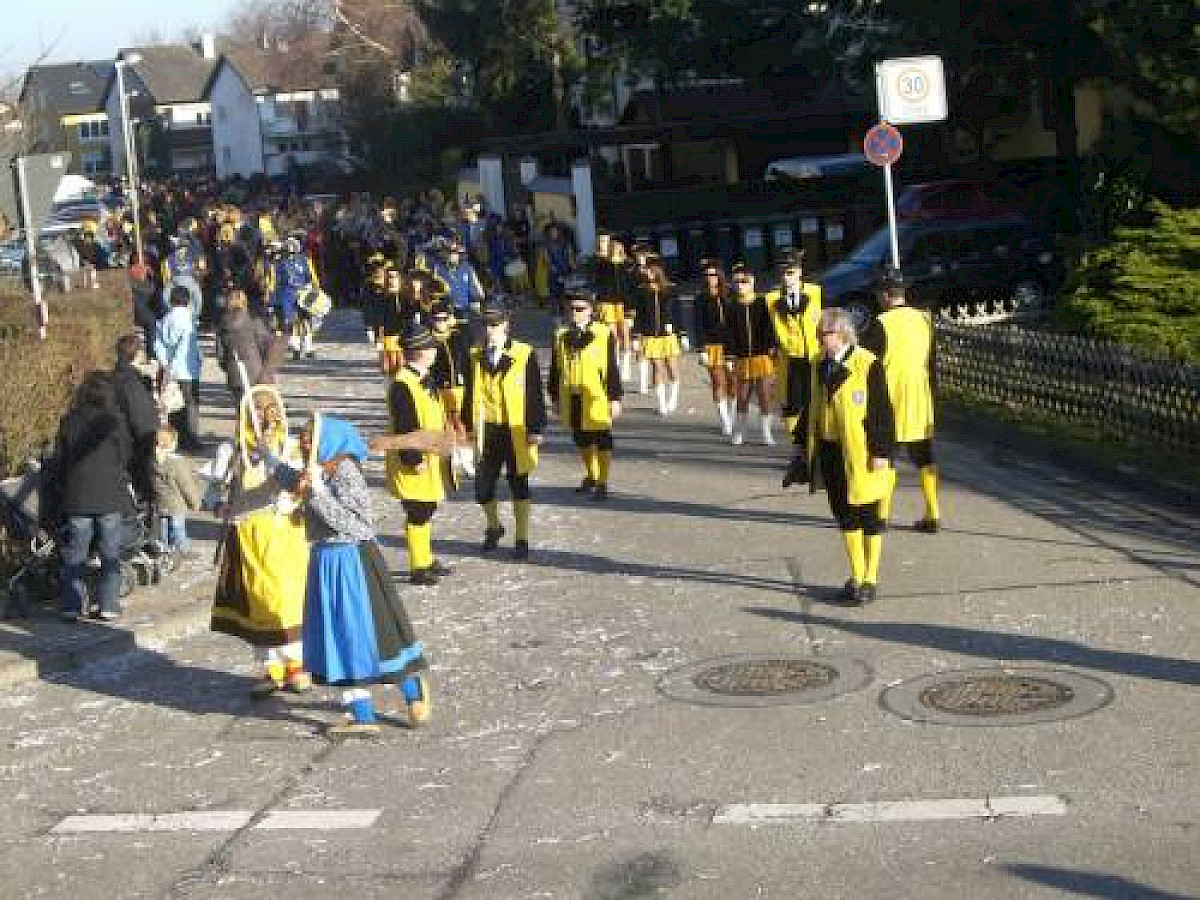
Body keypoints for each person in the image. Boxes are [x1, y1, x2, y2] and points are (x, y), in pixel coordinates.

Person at [284, 414, 432, 736]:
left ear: (329, 441)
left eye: (310, 440)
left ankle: (413, 691)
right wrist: (271, 464)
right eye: (303, 441)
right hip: (325, 561)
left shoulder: (346, 472)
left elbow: (356, 525)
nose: (304, 446)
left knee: (375, 637)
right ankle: (361, 714)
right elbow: (294, 482)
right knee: (339, 639)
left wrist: (317, 495)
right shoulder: (320, 470)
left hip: (353, 563)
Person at [785, 308, 895, 606]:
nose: (821, 339)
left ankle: (870, 578)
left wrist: (880, 451)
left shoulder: (866, 363)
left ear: (843, 334)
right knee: (843, 513)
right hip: (829, 448)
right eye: (819, 334)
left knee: (869, 514)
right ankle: (856, 576)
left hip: (862, 451)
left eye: (826, 334)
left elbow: (881, 412)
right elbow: (811, 406)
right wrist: (800, 444)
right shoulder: (817, 364)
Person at [211, 385, 312, 697]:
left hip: (285, 534)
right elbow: (214, 488)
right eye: (257, 413)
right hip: (248, 534)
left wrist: (292, 493)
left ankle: (296, 665)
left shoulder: (290, 448)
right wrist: (219, 503)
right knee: (257, 602)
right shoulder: (233, 451)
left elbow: (304, 484)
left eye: (270, 413)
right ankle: (272, 667)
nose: (266, 420)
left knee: (285, 600)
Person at [461, 299, 547, 559]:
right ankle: (494, 525)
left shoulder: (523, 353)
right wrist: (467, 426)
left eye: (495, 325)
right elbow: (469, 393)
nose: (490, 330)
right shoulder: (474, 354)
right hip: (486, 428)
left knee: (518, 482)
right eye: (486, 325)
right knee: (482, 487)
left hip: (515, 428)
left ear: (506, 325)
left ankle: (522, 538)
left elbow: (534, 393)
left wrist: (535, 427)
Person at [860, 270, 940, 532]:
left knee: (885, 454)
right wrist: (933, 397)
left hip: (890, 397)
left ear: (885, 295)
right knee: (924, 455)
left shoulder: (881, 323)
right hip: (920, 395)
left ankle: (881, 515)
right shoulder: (924, 319)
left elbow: (867, 364)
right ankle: (933, 513)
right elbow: (932, 362)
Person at [52, 372, 133, 623]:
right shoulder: (115, 422)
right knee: (110, 552)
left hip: (78, 496)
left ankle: (72, 605)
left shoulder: (69, 421)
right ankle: (108, 604)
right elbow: (126, 455)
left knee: (76, 552)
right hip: (110, 495)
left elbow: (60, 459)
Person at [386, 323, 455, 586]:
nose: (435, 351)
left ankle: (426, 557)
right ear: (421, 352)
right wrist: (413, 459)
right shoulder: (403, 384)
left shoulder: (423, 377)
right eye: (431, 348)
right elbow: (405, 425)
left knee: (427, 506)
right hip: (414, 458)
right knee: (418, 510)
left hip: (430, 455)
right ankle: (418, 566)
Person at [548, 288, 623, 500]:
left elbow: (611, 367)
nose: (575, 313)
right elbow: (555, 369)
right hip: (570, 394)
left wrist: (615, 398)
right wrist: (554, 397)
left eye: (580, 309)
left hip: (596, 394)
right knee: (580, 438)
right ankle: (592, 475)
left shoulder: (603, 333)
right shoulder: (561, 334)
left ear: (591, 310)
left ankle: (602, 481)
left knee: (601, 437)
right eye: (571, 309)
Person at [766, 248, 822, 439]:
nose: (786, 278)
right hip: (789, 359)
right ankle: (796, 441)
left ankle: (815, 439)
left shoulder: (816, 292)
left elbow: (826, 321)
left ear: (800, 272)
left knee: (816, 399)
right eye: (783, 273)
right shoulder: (772, 298)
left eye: (790, 272)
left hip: (814, 356)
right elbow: (768, 330)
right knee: (791, 403)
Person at [726, 262, 778, 445]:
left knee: (764, 394)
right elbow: (728, 333)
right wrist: (729, 355)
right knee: (742, 395)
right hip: (742, 357)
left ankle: (766, 432)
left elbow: (771, 327)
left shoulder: (763, 303)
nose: (740, 285)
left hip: (762, 356)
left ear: (752, 282)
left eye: (744, 281)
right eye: (737, 282)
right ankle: (740, 430)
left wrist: (772, 346)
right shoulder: (731, 306)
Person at [154, 284, 204, 452]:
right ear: (187, 301)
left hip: (169, 368)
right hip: (187, 368)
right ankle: (191, 440)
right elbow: (186, 346)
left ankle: (176, 438)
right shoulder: (188, 319)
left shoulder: (165, 319)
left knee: (174, 404)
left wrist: (166, 363)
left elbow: (158, 345)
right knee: (191, 404)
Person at [631, 250, 681, 414]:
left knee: (671, 367)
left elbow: (677, 313)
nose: (648, 272)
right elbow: (639, 315)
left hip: (668, 335)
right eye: (647, 270)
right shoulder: (641, 290)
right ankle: (661, 403)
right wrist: (635, 336)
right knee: (657, 367)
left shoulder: (671, 289)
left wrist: (682, 333)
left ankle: (673, 397)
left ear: (658, 271)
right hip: (650, 335)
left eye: (651, 270)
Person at [113, 333, 160, 504]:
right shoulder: (131, 381)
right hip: (138, 441)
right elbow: (141, 418)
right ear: (137, 355)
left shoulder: (119, 376)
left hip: (127, 437)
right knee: (142, 479)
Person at [216, 289, 283, 403]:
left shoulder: (222, 324)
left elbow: (220, 354)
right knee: (260, 408)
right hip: (256, 372)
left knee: (242, 408)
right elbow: (265, 345)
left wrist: (228, 367)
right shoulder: (254, 321)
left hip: (235, 373)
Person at [694, 258, 735, 436]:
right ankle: (725, 420)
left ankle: (733, 416)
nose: (710, 278)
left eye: (713, 274)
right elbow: (698, 325)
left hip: (732, 346)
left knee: (733, 382)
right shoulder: (700, 299)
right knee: (718, 382)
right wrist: (701, 348)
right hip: (712, 346)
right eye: (707, 275)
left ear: (720, 275)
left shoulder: (730, 294)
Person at [152, 425, 203, 557]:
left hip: (161, 503)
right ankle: (182, 550)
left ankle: (164, 550)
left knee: (163, 528)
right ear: (173, 443)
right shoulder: (177, 463)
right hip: (176, 504)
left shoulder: (154, 461)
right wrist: (195, 503)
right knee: (178, 528)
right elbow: (186, 486)